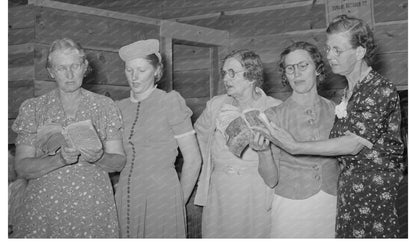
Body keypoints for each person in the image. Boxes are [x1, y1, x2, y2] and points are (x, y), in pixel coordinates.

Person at [265, 15, 405, 238]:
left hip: (376, 195)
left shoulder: (378, 88)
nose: (329, 56)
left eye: (337, 50)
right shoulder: (348, 94)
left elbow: (352, 144)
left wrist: (295, 146)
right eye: (328, 49)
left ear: (359, 52)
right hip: (349, 196)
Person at [12, 38, 126, 238]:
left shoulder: (105, 106)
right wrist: (60, 159)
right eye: (61, 68)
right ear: (51, 72)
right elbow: (21, 167)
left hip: (93, 208)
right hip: (44, 211)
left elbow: (118, 161)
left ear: (85, 67)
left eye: (75, 66)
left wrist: (98, 157)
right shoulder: (33, 108)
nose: (70, 74)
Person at [250, 41, 340, 238]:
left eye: (303, 66)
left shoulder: (336, 110)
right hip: (291, 207)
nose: (296, 73)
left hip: (331, 204)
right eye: (290, 68)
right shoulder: (272, 116)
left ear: (317, 69)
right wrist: (263, 152)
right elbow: (271, 180)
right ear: (285, 75)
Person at [115, 39, 201, 238]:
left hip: (162, 195)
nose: (134, 77)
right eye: (129, 70)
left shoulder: (169, 102)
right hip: (127, 195)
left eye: (141, 70)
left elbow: (194, 160)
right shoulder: (119, 107)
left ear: (156, 71)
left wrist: (177, 202)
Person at [194, 49, 282, 238]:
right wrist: (211, 165)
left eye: (232, 73)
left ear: (251, 76)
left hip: (254, 192)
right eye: (224, 73)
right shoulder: (216, 105)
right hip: (220, 191)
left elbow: (281, 159)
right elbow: (199, 137)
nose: (226, 78)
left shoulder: (275, 108)